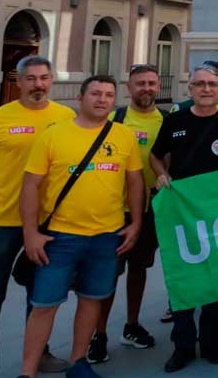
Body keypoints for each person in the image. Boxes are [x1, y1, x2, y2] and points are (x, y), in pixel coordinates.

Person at [18, 75, 145, 378]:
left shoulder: (124, 135)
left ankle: (78, 362)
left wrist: (136, 222)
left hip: (106, 236)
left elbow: (135, 181)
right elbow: (31, 185)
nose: (102, 99)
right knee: (44, 305)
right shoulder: (54, 135)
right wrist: (30, 233)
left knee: (92, 300)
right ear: (80, 98)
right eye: (96, 93)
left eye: (109, 95)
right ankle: (27, 371)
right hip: (60, 237)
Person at [151, 66, 218, 372]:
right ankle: (182, 345)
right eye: (200, 84)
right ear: (190, 89)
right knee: (184, 279)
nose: (206, 89)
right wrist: (162, 175)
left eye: (212, 84)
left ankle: (211, 343)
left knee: (217, 280)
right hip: (183, 213)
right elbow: (156, 155)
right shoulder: (175, 121)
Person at [0, 56, 75, 377]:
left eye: (44, 78)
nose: (38, 84)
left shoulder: (66, 117)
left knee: (41, 298)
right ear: (19, 81)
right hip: (0, 222)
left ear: (51, 80)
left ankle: (39, 355)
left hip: (47, 224)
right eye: (32, 78)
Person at [88, 64, 165, 364]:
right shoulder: (114, 119)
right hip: (113, 211)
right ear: (129, 87)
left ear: (158, 87)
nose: (146, 88)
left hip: (149, 209)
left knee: (139, 269)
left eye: (151, 83)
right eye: (140, 83)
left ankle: (131, 325)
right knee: (108, 274)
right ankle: (99, 334)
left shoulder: (166, 120)